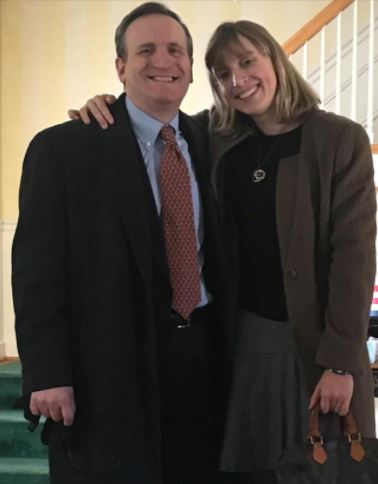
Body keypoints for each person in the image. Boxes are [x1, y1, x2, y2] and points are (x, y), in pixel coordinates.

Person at [70, 19, 377, 484]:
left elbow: (353, 256)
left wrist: (339, 359)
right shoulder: (215, 136)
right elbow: (149, 118)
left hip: (318, 349)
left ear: (275, 58)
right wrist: (106, 106)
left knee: (324, 471)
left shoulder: (338, 139)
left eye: (247, 61)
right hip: (245, 347)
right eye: (220, 72)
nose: (237, 79)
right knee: (245, 472)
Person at [12, 3, 232, 484]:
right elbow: (37, 273)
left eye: (175, 50)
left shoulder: (213, 140)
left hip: (201, 359)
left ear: (191, 69)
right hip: (107, 368)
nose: (163, 61)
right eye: (146, 50)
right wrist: (47, 371)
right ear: (120, 67)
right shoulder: (65, 149)